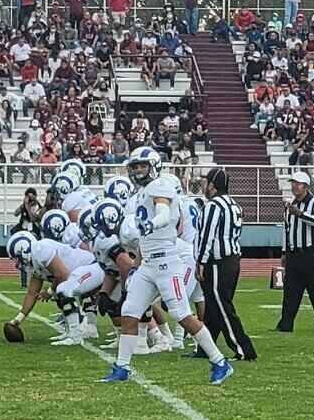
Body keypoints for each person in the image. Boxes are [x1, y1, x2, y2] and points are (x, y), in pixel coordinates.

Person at [99, 147, 233, 385]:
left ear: (153, 165)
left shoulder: (160, 186)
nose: (138, 170)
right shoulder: (140, 194)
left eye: (142, 165)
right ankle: (122, 367)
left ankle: (219, 361)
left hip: (167, 262)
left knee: (182, 314)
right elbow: (142, 239)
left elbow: (161, 212)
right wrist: (136, 266)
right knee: (129, 313)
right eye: (135, 166)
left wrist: (150, 225)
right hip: (148, 262)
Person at [197, 168, 257, 361]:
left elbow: (207, 235)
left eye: (206, 182)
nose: (204, 186)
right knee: (214, 307)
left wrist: (200, 261)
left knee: (222, 307)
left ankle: (243, 348)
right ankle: (205, 348)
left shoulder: (213, 205)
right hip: (232, 259)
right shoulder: (234, 204)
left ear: (213, 185)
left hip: (217, 262)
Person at [276, 172, 314, 333]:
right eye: (293, 183)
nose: (294, 186)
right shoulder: (291, 205)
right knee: (290, 291)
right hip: (294, 254)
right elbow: (287, 229)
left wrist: (301, 214)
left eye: (298, 183)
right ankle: (286, 325)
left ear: (306, 186)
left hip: (312, 253)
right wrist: (284, 251)